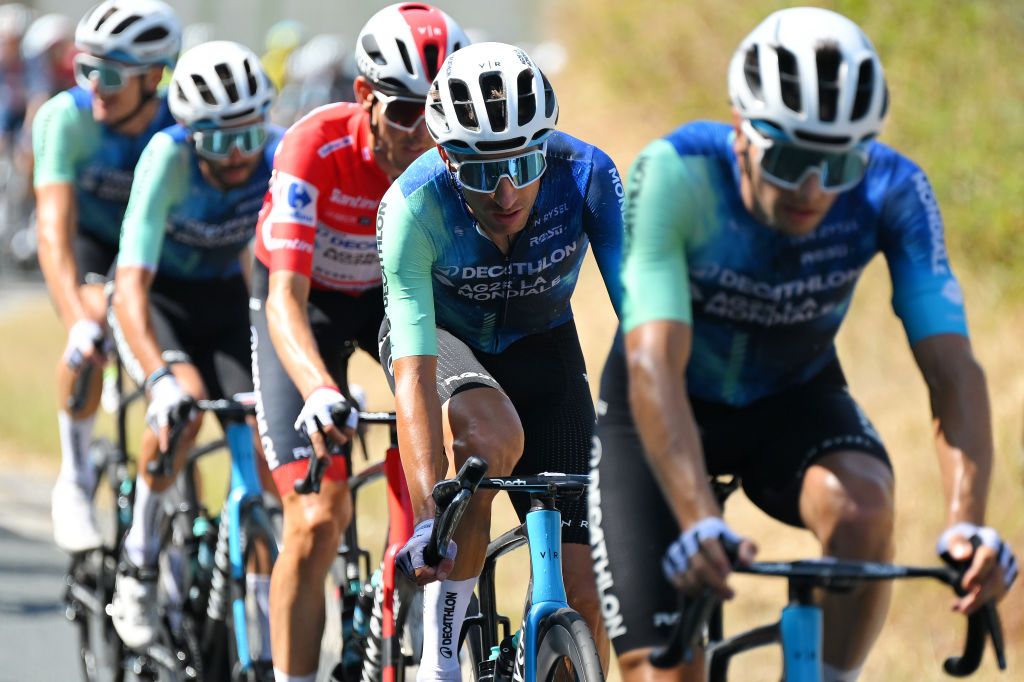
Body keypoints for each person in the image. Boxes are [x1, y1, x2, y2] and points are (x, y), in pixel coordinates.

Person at [588, 7, 1019, 682]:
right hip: (661, 410)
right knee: (666, 675)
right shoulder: (678, 172)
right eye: (790, 158)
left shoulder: (893, 189)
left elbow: (953, 369)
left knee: (863, 508)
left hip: (789, 400)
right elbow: (654, 364)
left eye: (840, 161)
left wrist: (967, 526)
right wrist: (698, 519)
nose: (815, 188)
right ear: (740, 132)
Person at [378, 40, 625, 681]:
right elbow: (413, 366)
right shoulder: (412, 206)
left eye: (524, 159)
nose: (508, 190)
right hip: (445, 346)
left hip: (544, 352)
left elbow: (645, 321)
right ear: (444, 156)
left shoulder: (588, 175)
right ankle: (441, 659)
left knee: (585, 592)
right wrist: (431, 516)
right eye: (483, 170)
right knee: (491, 441)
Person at [249, 5, 469, 681]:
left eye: (438, 114)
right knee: (317, 519)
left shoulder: (454, 162)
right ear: (365, 98)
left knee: (437, 479)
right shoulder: (312, 146)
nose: (421, 133)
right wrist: (319, 389)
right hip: (305, 302)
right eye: (405, 112)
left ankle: (402, 623)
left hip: (387, 303)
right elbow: (284, 297)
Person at [106, 39, 281, 650]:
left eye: (247, 136)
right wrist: (157, 379)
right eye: (216, 141)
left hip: (228, 306)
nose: (237, 157)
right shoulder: (166, 158)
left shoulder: (280, 155)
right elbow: (130, 284)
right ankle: (139, 561)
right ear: (188, 134)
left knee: (263, 438)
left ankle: (259, 621)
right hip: (163, 303)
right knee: (184, 406)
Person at [33, 0, 179, 553]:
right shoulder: (64, 118)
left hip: (157, 253)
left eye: (110, 74)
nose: (95, 85)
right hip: (92, 243)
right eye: (84, 68)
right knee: (94, 322)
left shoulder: (178, 126)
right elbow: (52, 232)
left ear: (154, 77)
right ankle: (72, 477)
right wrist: (78, 324)